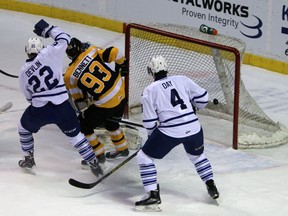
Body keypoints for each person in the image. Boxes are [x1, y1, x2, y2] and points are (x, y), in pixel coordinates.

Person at [18, 19, 103, 177]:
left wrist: (37, 104)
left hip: (40, 109)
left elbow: (28, 96)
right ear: (41, 48)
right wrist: (49, 29)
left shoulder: (23, 72)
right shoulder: (49, 53)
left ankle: (28, 159)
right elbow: (65, 38)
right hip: (62, 107)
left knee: (23, 128)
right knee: (76, 137)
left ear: (27, 51)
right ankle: (94, 163)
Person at [135, 56, 219, 211]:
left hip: (171, 131)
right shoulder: (182, 79)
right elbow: (203, 99)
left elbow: (150, 122)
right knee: (197, 156)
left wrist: (152, 139)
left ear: (151, 72)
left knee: (144, 156)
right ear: (167, 68)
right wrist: (194, 106)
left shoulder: (149, 90)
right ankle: (211, 186)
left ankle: (152, 195)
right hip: (194, 127)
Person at [63, 37, 129, 165]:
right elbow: (114, 52)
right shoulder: (92, 50)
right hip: (122, 92)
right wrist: (122, 63)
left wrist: (90, 98)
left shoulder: (69, 76)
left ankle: (98, 154)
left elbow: (80, 100)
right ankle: (122, 149)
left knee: (84, 125)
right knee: (111, 124)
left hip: (106, 104)